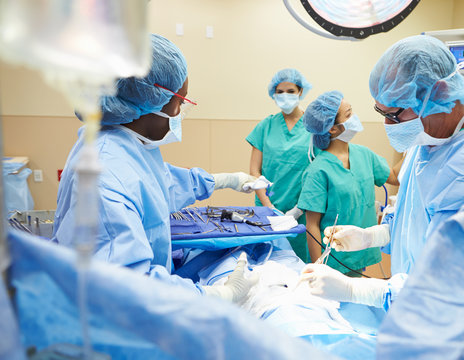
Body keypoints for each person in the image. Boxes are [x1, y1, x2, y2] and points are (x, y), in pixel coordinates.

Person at [304, 35, 464, 325]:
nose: (387, 125)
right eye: (382, 113)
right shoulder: (427, 144)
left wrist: (356, 289)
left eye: (393, 114)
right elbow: (416, 222)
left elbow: (463, 286)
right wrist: (370, 236)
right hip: (421, 313)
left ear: (439, 93)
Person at [53, 34, 257, 303]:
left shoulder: (121, 145)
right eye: (181, 101)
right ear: (153, 98)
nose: (181, 110)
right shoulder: (105, 180)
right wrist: (221, 294)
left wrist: (226, 180)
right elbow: (127, 289)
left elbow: (160, 184)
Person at [297, 91, 400, 271]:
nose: (355, 117)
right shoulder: (318, 171)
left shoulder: (364, 155)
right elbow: (311, 225)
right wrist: (318, 269)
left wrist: (416, 146)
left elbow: (394, 177)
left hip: (360, 253)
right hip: (332, 259)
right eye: (349, 114)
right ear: (333, 128)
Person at [246, 68, 314, 262]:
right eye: (280, 92)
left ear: (300, 91)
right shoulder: (265, 126)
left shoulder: (313, 128)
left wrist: (299, 208)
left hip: (303, 211)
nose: (285, 96)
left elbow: (318, 172)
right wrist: (270, 208)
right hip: (267, 211)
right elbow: (254, 171)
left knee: (300, 266)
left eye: (291, 91)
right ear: (273, 94)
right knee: (269, 263)